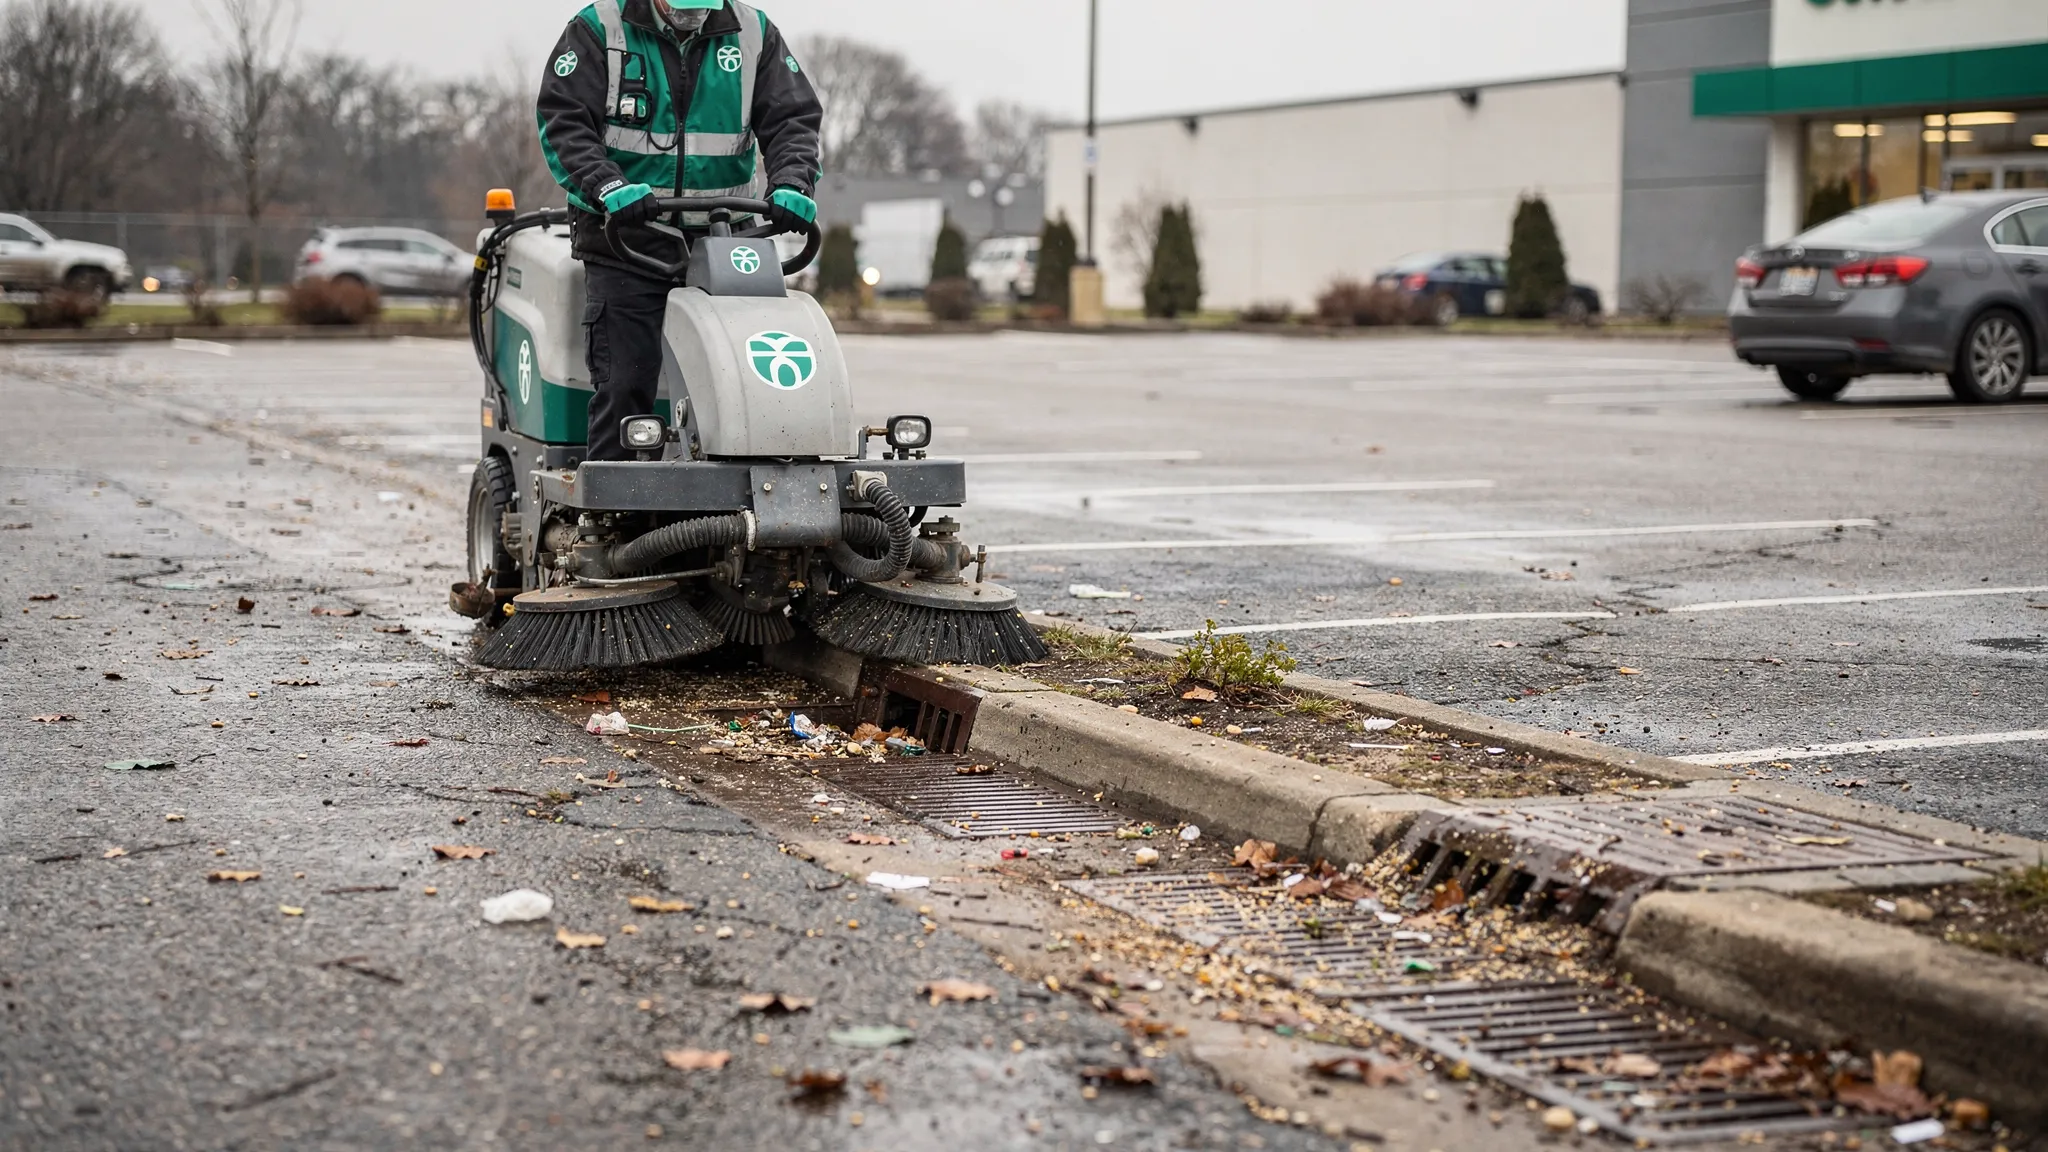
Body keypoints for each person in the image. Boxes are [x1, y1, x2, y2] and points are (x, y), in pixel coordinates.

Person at [537, 0, 822, 462]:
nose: (693, 15)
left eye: (703, 6)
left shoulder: (753, 33)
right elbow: (564, 123)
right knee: (626, 382)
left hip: (726, 238)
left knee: (752, 377)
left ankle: (757, 488)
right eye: (682, 6)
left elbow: (792, 119)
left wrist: (792, 182)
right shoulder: (600, 30)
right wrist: (609, 185)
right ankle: (614, 515)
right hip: (627, 236)